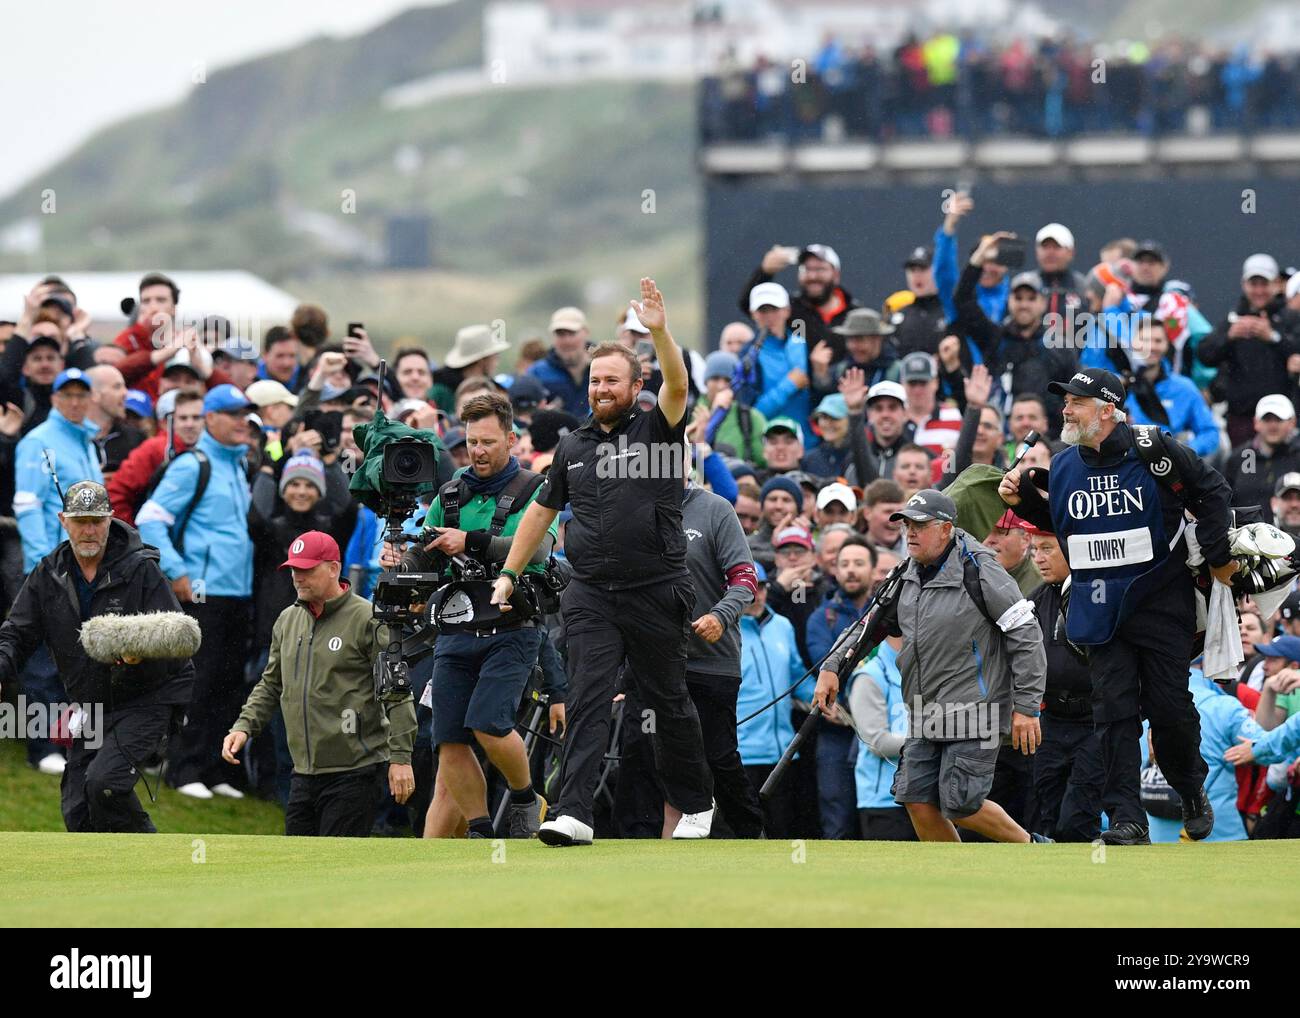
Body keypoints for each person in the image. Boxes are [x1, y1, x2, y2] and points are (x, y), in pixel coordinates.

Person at [492, 279, 715, 846]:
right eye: (595, 381)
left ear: (637, 386)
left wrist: (660, 331)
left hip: (657, 589)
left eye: (612, 380)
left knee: (668, 703)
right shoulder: (573, 446)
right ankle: (574, 813)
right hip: (590, 592)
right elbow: (541, 514)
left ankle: (695, 802)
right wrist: (509, 574)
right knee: (588, 696)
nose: (601, 389)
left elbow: (680, 383)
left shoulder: (659, 428)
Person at [998, 367, 1236, 844]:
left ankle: (1190, 787)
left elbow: (1213, 493)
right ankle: (1128, 819)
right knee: (1112, 715)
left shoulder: (1154, 448)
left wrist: (1218, 560)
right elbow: (1066, 528)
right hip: (1098, 608)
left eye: (1077, 402)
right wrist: (1025, 503)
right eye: (1065, 401)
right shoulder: (1064, 466)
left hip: (1160, 605)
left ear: (1108, 409)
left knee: (1170, 711)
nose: (1065, 409)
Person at [813, 489, 1048, 843]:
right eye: (906, 524)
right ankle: (952, 878)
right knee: (916, 798)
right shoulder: (905, 573)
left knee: (962, 802)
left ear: (946, 529)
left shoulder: (982, 569)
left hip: (977, 707)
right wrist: (832, 667)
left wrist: (1027, 707)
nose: (910, 533)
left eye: (920, 525)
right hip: (924, 709)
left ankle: (1033, 847)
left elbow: (1026, 635)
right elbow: (868, 626)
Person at [384, 391, 557, 839]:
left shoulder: (537, 491)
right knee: (449, 740)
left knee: (489, 724)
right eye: (471, 442)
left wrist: (471, 541)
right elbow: (429, 553)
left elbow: (537, 550)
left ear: (512, 440)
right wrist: (402, 564)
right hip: (456, 626)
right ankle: (480, 828)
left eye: (487, 442)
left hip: (512, 626)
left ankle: (524, 797)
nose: (478, 451)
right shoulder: (450, 492)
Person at [0, 482, 194, 832]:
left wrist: (139, 652)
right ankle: (106, 881)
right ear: (63, 521)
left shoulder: (140, 569)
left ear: (110, 520)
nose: (89, 530)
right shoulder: (48, 574)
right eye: (80, 521)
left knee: (104, 783)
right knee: (78, 809)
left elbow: (179, 634)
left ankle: (156, 857)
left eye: (96, 521)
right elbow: (17, 632)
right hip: (91, 704)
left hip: (149, 698)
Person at [223, 531, 417, 837]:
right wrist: (243, 726)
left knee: (336, 873)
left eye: (307, 570)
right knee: (299, 872)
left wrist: (401, 759)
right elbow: (271, 683)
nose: (298, 578)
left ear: (333, 568)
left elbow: (397, 692)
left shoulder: (368, 618)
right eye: (294, 570)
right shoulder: (287, 620)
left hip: (355, 773)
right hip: (302, 773)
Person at [138, 384, 255, 800]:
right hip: (202, 592)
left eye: (246, 414)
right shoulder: (194, 465)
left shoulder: (238, 466)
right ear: (211, 418)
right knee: (199, 682)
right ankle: (183, 769)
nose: (244, 421)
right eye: (234, 413)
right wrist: (177, 570)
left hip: (236, 592)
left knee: (227, 684)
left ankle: (213, 768)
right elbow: (149, 519)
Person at [672, 459, 763, 837]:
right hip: (657, 659)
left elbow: (744, 578)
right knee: (647, 752)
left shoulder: (714, 510)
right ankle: (642, 845)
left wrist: (720, 616)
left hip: (712, 659)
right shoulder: (634, 510)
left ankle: (750, 832)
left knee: (719, 755)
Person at [1026, 528, 1111, 842]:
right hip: (1050, 721)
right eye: (1034, 550)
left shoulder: (1099, 595)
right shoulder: (1033, 601)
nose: (1039, 558)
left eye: (1047, 548)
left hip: (1094, 722)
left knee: (1077, 817)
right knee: (1046, 813)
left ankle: (1085, 884)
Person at [806, 534, 876, 838]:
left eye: (859, 563)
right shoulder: (822, 617)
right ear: (834, 570)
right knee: (836, 814)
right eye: (844, 564)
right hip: (835, 732)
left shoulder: (888, 615)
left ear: (874, 570)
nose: (851, 570)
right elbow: (829, 665)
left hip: (881, 730)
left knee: (884, 814)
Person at [1198, 254, 1300, 447]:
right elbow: (1205, 355)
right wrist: (1229, 337)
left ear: (1277, 284)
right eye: (1254, 284)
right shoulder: (1234, 318)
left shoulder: (1290, 318)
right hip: (1242, 421)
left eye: (1265, 284)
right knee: (1248, 469)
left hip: (1282, 419)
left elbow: (1296, 351)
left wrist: (1273, 337)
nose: (1259, 291)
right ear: (1244, 285)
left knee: (1288, 472)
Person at [736, 563, 803, 838]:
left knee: (781, 830)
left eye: (761, 587)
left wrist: (823, 697)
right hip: (742, 752)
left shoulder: (783, 626)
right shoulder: (726, 631)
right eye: (749, 588)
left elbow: (797, 675)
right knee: (745, 833)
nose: (756, 594)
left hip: (783, 753)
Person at [848, 633, 914, 840]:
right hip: (884, 803)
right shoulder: (869, 676)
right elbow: (877, 742)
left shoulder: (924, 673)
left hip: (923, 798)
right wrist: (930, 743)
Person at [1224, 394, 1300, 512]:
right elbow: (1224, 502)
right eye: (1267, 419)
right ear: (1256, 423)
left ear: (1292, 422)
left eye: (1279, 419)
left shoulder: (1297, 456)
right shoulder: (1237, 458)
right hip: (1245, 529)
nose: (1273, 425)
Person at [527, 307, 592, 417]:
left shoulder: (603, 367)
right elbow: (525, 416)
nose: (567, 341)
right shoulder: (537, 373)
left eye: (572, 333)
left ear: (586, 332)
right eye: (560, 334)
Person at [984, 509, 1043, 597]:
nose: (990, 540)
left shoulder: (1040, 586)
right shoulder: (970, 576)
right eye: (986, 531)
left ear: (1025, 539)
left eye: (1001, 532)